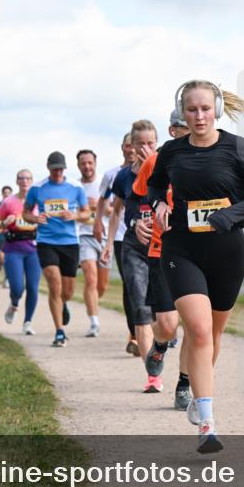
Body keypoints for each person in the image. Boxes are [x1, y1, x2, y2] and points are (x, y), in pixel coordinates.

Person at [149, 79, 244, 453]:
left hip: (226, 250)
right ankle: (207, 423)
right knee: (199, 330)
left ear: (216, 110)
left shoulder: (238, 148)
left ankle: (190, 383)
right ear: (182, 113)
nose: (199, 116)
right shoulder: (171, 152)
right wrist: (159, 205)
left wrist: (231, 215)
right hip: (182, 248)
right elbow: (155, 187)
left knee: (214, 334)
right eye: (192, 110)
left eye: (205, 109)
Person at [133, 108, 192, 407]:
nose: (196, 127)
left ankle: (184, 383)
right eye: (186, 125)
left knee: (196, 326)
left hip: (202, 252)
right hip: (163, 250)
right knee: (168, 326)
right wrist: (139, 221)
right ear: (173, 130)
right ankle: (158, 345)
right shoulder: (156, 162)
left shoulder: (212, 161)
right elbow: (139, 199)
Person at [105, 121, 161, 389]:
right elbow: (116, 211)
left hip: (165, 247)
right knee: (140, 307)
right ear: (131, 146)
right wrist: (107, 243)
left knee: (165, 315)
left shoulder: (169, 170)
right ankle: (153, 377)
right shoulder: (124, 176)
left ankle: (160, 345)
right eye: (141, 144)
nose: (146, 148)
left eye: (151, 143)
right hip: (134, 247)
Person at [23, 151, 89, 347]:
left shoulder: (76, 187)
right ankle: (59, 331)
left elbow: (86, 213)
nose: (58, 173)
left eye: (61, 169)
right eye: (55, 169)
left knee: (67, 290)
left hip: (70, 242)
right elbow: (25, 212)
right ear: (48, 168)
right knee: (54, 282)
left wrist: (74, 215)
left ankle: (64, 303)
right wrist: (35, 218)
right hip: (46, 241)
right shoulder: (37, 188)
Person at [97, 133, 139, 355]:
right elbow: (104, 203)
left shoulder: (153, 170)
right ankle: (135, 333)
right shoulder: (114, 175)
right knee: (130, 284)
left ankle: (153, 329)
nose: (132, 150)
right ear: (123, 147)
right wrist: (98, 224)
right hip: (123, 237)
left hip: (149, 236)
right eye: (129, 145)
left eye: (138, 145)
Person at [0, 169, 41, 336]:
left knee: (33, 287)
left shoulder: (38, 201)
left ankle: (27, 322)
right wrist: (5, 222)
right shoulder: (9, 202)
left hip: (34, 248)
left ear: (32, 180)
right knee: (17, 287)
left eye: (28, 178)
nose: (25, 181)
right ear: (17, 181)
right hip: (14, 247)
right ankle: (14, 303)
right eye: (21, 178)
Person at [76, 150, 104, 338]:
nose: (87, 166)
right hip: (84, 236)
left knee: (101, 286)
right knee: (91, 279)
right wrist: (82, 208)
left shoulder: (104, 183)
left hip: (104, 236)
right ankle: (94, 322)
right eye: (83, 163)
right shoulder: (74, 187)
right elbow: (69, 211)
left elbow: (116, 208)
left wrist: (98, 207)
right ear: (78, 165)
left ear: (95, 163)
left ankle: (92, 302)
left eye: (90, 163)